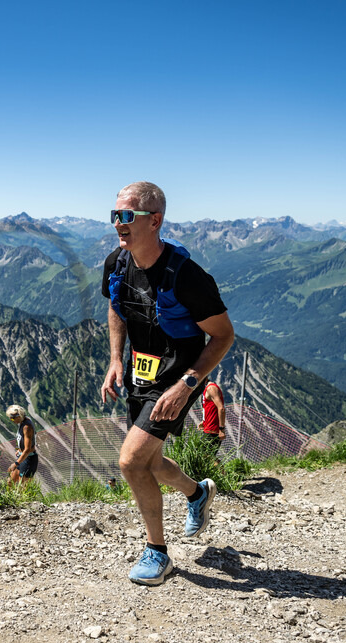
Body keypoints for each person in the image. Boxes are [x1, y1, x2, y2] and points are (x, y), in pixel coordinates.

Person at [100, 181, 235, 586]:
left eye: (127, 216)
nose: (118, 225)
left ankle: (157, 553)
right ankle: (198, 493)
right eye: (115, 216)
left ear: (154, 220)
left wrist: (188, 385)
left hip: (178, 376)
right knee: (151, 462)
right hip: (142, 372)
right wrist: (114, 359)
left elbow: (224, 336)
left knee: (130, 461)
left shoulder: (188, 277)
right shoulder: (116, 263)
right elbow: (116, 307)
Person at [5, 404, 39, 487]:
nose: (11, 420)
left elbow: (27, 449)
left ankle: (25, 500)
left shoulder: (27, 427)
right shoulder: (23, 421)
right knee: (10, 482)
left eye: (12, 418)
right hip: (22, 456)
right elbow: (21, 439)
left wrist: (16, 463)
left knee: (22, 487)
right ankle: (9, 499)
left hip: (29, 459)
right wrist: (19, 449)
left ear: (19, 416)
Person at [201, 380, 226, 460]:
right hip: (208, 427)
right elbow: (209, 408)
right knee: (206, 455)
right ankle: (224, 472)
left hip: (213, 429)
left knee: (206, 456)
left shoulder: (211, 388)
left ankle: (224, 472)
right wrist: (204, 421)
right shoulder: (207, 388)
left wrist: (221, 429)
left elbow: (221, 408)